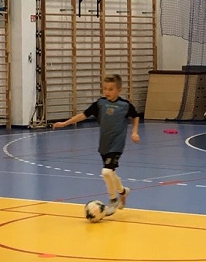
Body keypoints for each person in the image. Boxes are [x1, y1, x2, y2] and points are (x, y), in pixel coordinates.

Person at [53, 74, 142, 215]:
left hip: (117, 144)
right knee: (111, 173)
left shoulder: (125, 105)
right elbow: (84, 115)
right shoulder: (100, 104)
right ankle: (123, 192)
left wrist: (134, 132)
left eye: (111, 89)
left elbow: (136, 116)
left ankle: (113, 199)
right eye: (105, 88)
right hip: (104, 143)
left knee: (106, 171)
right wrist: (65, 123)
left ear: (119, 90)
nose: (107, 92)